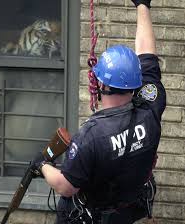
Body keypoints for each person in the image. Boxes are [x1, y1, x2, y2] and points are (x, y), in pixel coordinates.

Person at [32, 0, 166, 223]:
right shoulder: (151, 105)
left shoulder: (91, 136)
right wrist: (143, 5)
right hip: (129, 210)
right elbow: (147, 55)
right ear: (135, 82)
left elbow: (66, 187)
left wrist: (42, 166)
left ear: (102, 85)